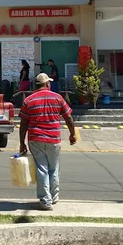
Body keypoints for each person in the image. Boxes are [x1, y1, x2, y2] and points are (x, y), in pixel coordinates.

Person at [19, 73, 77, 211]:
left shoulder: (28, 100)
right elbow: (68, 117)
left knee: (42, 169)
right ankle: (53, 197)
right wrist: (72, 134)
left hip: (36, 139)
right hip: (53, 139)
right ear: (47, 84)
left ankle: (45, 201)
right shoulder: (58, 98)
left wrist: (22, 142)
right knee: (54, 168)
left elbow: (23, 123)